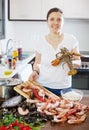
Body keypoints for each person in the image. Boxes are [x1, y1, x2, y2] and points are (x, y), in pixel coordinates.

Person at [29, 7, 81, 96]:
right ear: (47, 22)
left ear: (63, 22)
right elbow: (37, 62)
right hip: (43, 86)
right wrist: (35, 71)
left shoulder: (71, 39)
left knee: (65, 110)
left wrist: (69, 61)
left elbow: (79, 62)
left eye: (59, 20)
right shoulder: (40, 41)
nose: (56, 23)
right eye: (52, 19)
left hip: (64, 87)